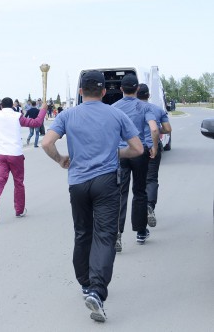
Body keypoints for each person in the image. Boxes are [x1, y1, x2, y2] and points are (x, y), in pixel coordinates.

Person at [41, 70, 143, 323]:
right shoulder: (116, 114)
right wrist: (112, 153)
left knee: (82, 232)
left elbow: (46, 143)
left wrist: (60, 159)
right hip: (106, 182)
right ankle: (97, 290)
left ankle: (85, 284)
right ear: (105, 92)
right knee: (105, 235)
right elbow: (138, 148)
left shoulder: (67, 115)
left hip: (77, 183)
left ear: (80, 92)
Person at [0, 92, 46, 221]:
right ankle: (19, 210)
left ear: (1, 106)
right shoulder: (17, 116)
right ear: (12, 106)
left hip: (0, 153)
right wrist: (43, 109)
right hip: (15, 154)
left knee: (0, 179)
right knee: (18, 182)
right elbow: (37, 122)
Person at [112, 74, 159, 250]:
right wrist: (153, 146)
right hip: (140, 152)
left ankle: (117, 234)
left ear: (121, 89)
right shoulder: (144, 107)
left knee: (120, 193)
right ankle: (140, 231)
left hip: (122, 153)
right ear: (137, 89)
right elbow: (154, 128)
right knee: (140, 191)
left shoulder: (114, 108)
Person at [136, 84, 172, 228]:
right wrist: (157, 130)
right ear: (149, 95)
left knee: (138, 182)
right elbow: (168, 129)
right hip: (152, 148)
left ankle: (138, 218)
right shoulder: (157, 109)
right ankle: (150, 206)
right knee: (151, 179)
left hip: (134, 149)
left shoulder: (131, 110)